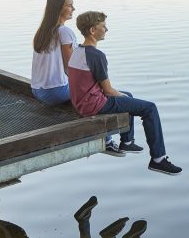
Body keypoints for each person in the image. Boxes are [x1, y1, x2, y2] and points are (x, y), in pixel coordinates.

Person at [68, 11, 182, 175]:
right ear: (93, 30)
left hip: (81, 102)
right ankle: (158, 159)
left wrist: (124, 97)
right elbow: (108, 90)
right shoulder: (96, 56)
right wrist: (122, 97)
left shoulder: (77, 51)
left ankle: (127, 142)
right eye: (103, 26)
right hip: (94, 105)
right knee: (149, 108)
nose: (106, 29)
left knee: (127, 95)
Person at [31, 0, 124, 157]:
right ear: (59, 8)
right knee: (99, 94)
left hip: (37, 89)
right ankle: (108, 141)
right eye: (69, 5)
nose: (73, 8)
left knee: (93, 92)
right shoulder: (64, 32)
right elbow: (70, 68)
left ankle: (108, 139)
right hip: (54, 91)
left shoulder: (42, 30)